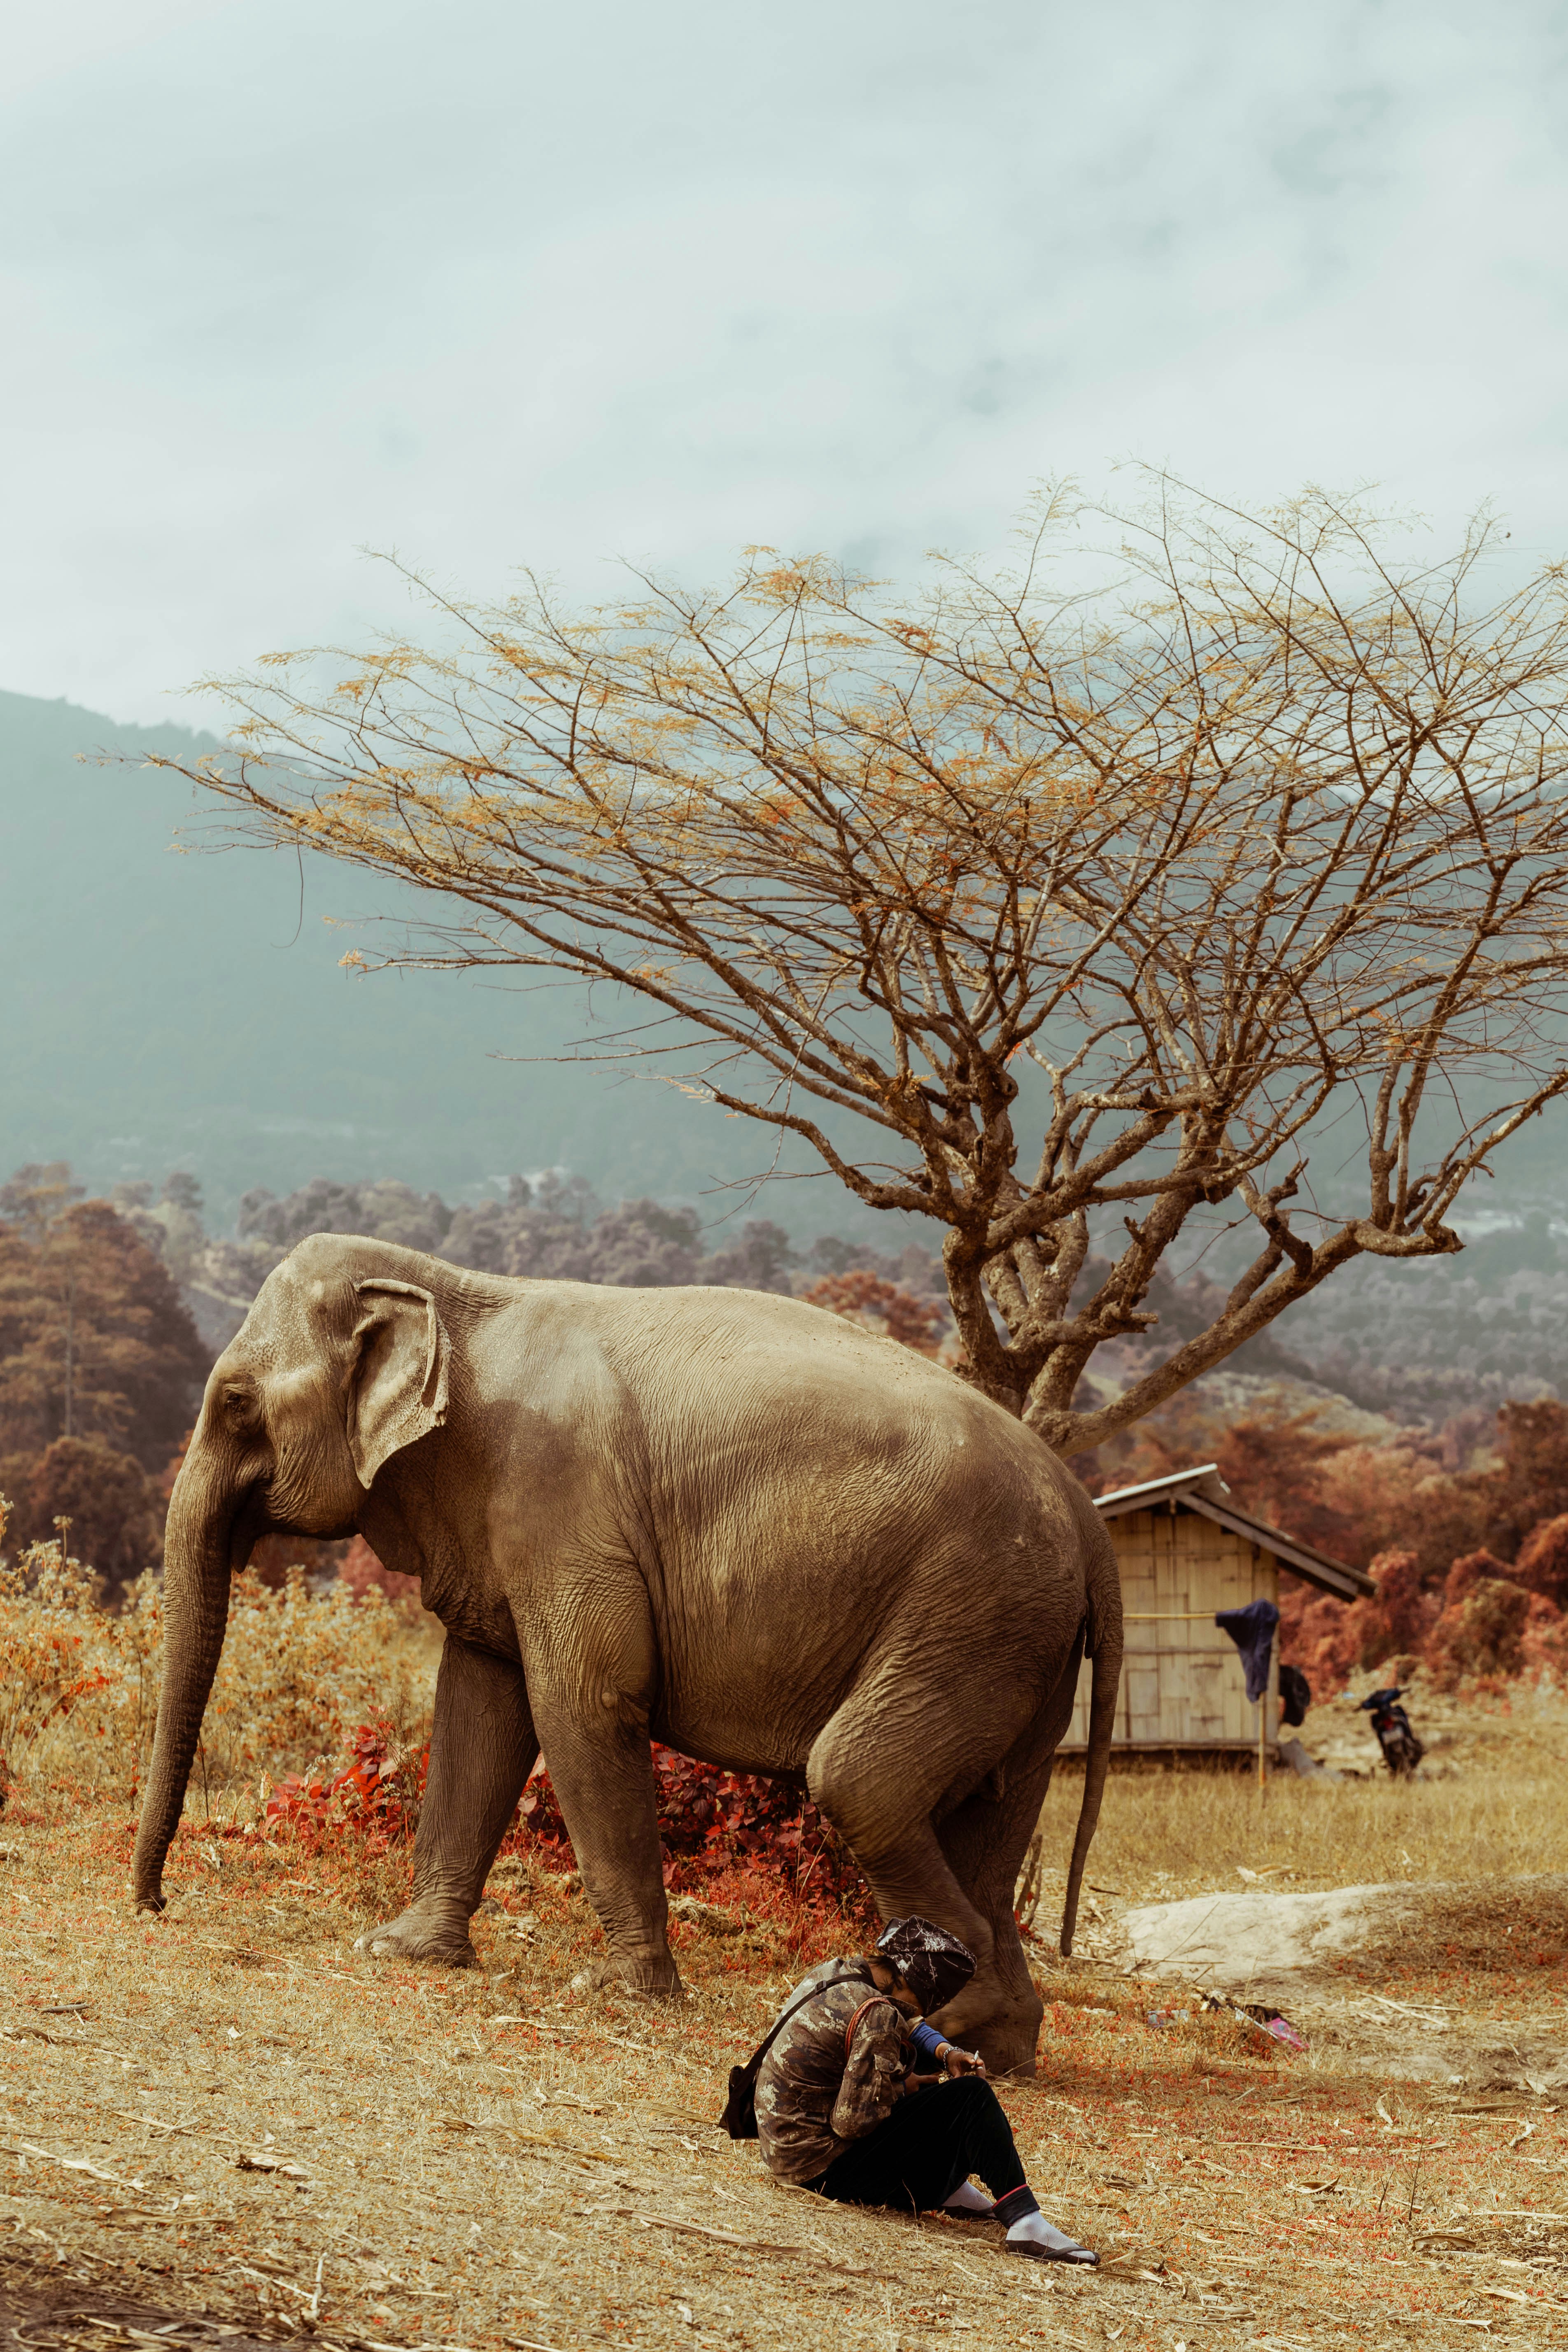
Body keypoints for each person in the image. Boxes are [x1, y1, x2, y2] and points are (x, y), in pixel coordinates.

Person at [751, 1915, 1097, 2263]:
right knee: (971, 2097)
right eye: (923, 2002)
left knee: (932, 2077)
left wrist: (947, 2052)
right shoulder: (878, 2016)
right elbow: (851, 2123)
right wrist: (902, 2088)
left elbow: (905, 2019)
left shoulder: (837, 1972)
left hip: (784, 2147)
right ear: (904, 1981)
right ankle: (1026, 2223)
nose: (920, 2014)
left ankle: (944, 2187)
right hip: (817, 2166)